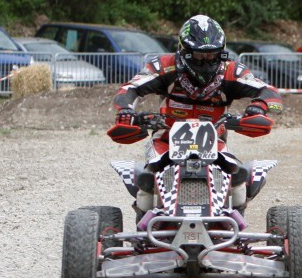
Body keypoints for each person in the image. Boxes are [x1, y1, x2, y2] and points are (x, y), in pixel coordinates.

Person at [107, 14, 282, 214]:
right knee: (147, 181)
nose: (206, 62)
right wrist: (126, 111)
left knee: (237, 179)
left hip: (214, 142)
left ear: (222, 53)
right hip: (165, 138)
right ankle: (143, 233)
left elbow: (271, 93)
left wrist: (259, 107)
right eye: (199, 56)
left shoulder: (232, 71)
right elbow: (130, 89)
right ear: (184, 51)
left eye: (213, 56)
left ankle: (237, 229)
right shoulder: (165, 66)